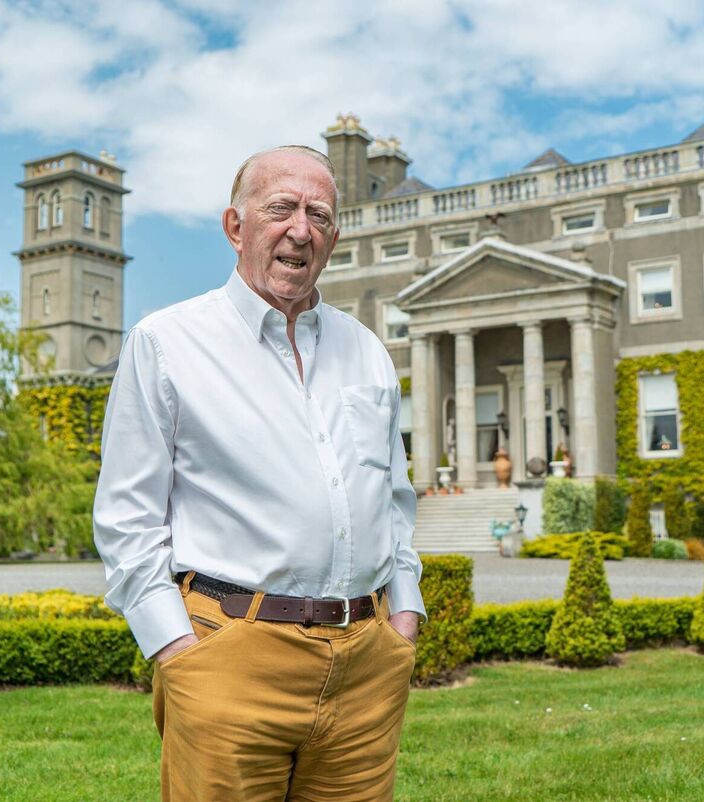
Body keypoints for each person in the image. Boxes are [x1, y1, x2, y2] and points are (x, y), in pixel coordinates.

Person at [93, 145, 425, 802]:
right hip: (228, 659)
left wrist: (404, 616)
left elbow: (394, 501)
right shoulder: (167, 343)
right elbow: (127, 517)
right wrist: (177, 653)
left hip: (365, 665)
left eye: (320, 215)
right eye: (282, 209)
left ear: (333, 236)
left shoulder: (367, 349)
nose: (301, 230)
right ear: (235, 227)